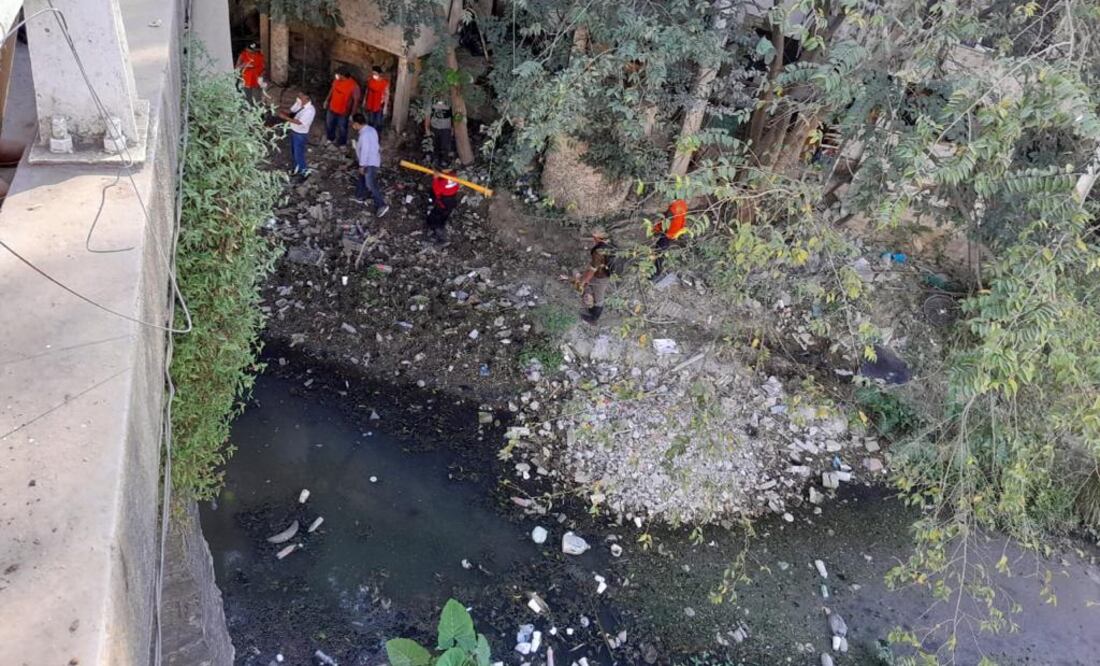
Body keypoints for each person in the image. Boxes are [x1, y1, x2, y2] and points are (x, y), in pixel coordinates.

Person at [561, 228, 614, 324]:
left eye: (585, 299)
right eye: (588, 300)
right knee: (589, 271)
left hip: (593, 278)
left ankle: (569, 268)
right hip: (601, 277)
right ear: (593, 299)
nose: (586, 298)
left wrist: (567, 278)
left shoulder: (583, 291)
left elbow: (577, 282)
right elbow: (598, 306)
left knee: (575, 272)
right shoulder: (598, 297)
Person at [351, 113, 390, 217]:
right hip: (374, 160)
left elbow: (365, 151)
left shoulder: (364, 135)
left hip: (369, 162)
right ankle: (360, 195)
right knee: (362, 177)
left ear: (356, 124)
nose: (352, 126)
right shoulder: (371, 130)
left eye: (353, 124)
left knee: (370, 184)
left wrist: (362, 165)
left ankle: (381, 205)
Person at [278, 92, 316, 178]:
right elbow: (292, 111)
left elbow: (299, 122)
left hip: (300, 134)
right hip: (294, 131)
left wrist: (285, 117)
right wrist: (283, 111)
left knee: (299, 154)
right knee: (294, 152)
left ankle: (304, 173)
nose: (299, 96)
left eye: (302, 96)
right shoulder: (299, 102)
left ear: (307, 98)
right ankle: (296, 169)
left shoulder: (310, 110)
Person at [651, 198, 688, 279]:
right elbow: (683, 219)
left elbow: (665, 224)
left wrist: (655, 229)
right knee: (662, 250)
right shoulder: (682, 204)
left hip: (668, 234)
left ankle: (656, 272)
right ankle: (657, 269)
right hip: (675, 233)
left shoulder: (672, 210)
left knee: (659, 250)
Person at [323, 68, 360, 146]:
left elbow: (356, 101)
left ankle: (342, 143)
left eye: (338, 75)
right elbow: (332, 89)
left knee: (342, 128)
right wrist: (326, 100)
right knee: (329, 125)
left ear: (343, 76)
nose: (336, 76)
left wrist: (352, 114)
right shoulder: (337, 80)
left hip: (343, 112)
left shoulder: (354, 86)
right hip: (332, 108)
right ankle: (330, 139)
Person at [426, 167, 461, 243]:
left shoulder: (442, 182)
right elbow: (457, 187)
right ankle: (441, 225)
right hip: (451, 202)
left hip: (443, 203)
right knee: (445, 215)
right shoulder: (454, 177)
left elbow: (436, 190)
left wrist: (435, 179)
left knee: (434, 217)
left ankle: (439, 236)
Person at [424, 99, 453, 164]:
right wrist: (427, 128)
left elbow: (454, 115)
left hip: (446, 128)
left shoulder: (449, 100)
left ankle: (445, 160)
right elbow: (427, 115)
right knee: (434, 145)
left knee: (445, 145)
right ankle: (434, 159)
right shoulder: (431, 100)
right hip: (434, 127)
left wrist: (453, 129)